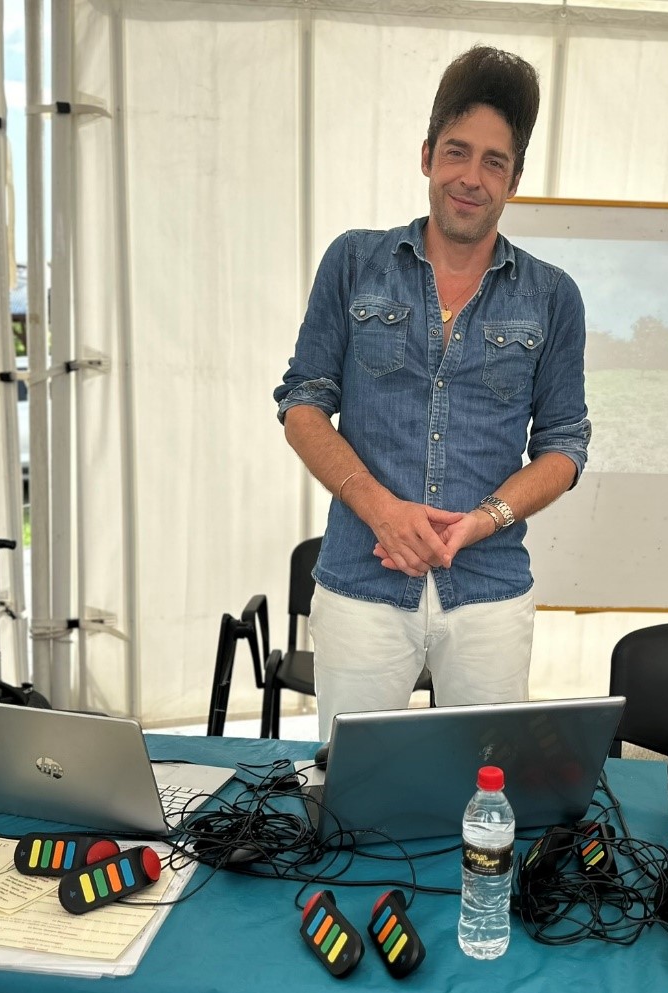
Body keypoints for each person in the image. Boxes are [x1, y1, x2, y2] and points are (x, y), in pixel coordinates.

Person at [274, 46, 591, 740]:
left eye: (493, 162)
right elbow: (302, 405)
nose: (470, 178)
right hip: (361, 582)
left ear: (514, 180)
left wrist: (481, 521)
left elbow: (564, 448)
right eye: (456, 152)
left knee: (486, 784)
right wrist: (382, 512)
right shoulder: (354, 261)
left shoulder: (552, 296)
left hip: (487, 592)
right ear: (426, 156)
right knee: (356, 785)